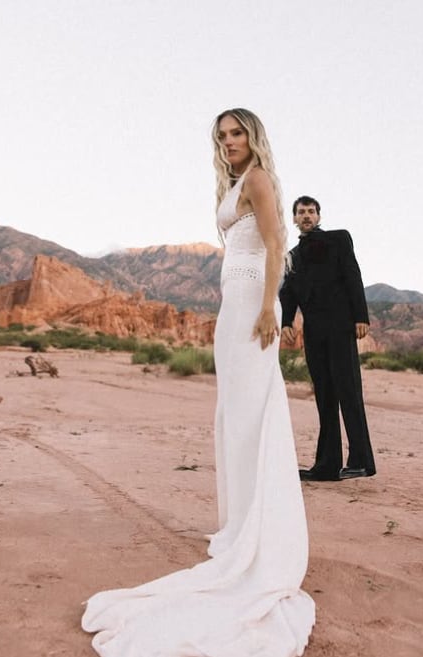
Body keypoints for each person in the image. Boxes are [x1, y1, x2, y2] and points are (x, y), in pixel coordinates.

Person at [82, 109, 315, 657]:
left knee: (253, 415)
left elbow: (277, 244)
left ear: (253, 137)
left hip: (254, 301)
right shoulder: (233, 183)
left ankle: (261, 542)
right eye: (222, 136)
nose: (229, 142)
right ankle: (240, 529)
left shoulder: (258, 178)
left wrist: (268, 310)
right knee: (235, 419)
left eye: (236, 133)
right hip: (233, 304)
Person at [280, 196, 376, 482]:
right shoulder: (293, 255)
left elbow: (352, 275)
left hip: (341, 325)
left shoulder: (339, 239)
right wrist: (286, 321)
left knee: (348, 390)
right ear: (294, 218)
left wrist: (361, 316)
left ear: (319, 216)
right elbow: (288, 292)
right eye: (301, 212)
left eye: (311, 211)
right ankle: (327, 465)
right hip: (314, 331)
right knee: (324, 395)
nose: (306, 216)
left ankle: (361, 460)